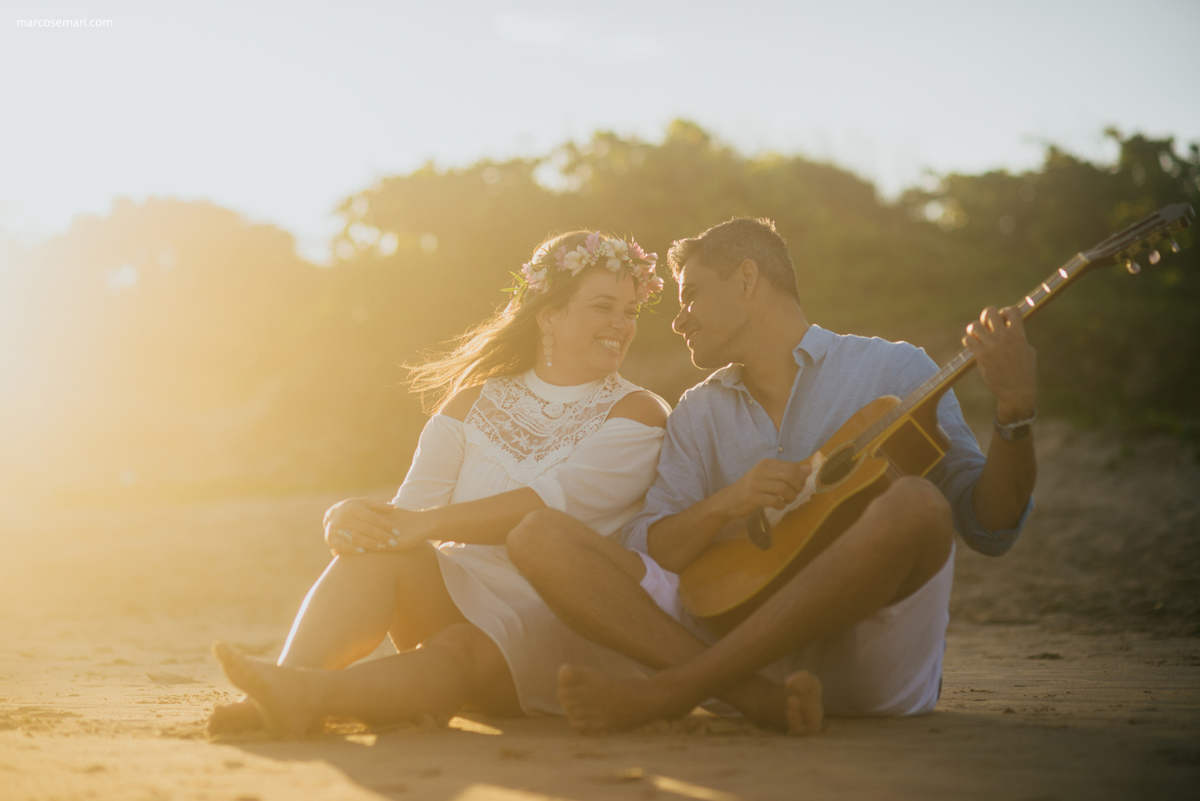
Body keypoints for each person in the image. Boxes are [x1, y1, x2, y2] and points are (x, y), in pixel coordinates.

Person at [506, 217, 1037, 734]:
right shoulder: (697, 411)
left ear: (746, 279)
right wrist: (726, 503)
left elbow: (990, 525)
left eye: (690, 295)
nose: (678, 318)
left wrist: (1014, 410)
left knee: (918, 503)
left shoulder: (895, 371)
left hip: (866, 658)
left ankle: (676, 690)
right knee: (537, 534)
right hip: (734, 643)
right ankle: (756, 698)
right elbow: (653, 551)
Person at [208, 230, 683, 737]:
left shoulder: (638, 412)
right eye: (604, 306)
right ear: (549, 314)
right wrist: (352, 520)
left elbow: (552, 507)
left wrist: (423, 524)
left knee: (459, 647)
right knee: (381, 551)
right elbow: (409, 514)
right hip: (459, 591)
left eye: (630, 311)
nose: (621, 325)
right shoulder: (469, 404)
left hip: (560, 614)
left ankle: (313, 697)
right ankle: (283, 684)